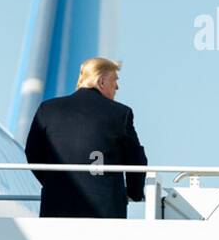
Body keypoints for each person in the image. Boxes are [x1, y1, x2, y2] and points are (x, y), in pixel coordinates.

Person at [24, 57, 147, 218]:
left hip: (56, 207)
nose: (117, 86)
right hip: (105, 210)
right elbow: (136, 160)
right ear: (101, 81)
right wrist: (135, 193)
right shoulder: (120, 113)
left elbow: (32, 153)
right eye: (115, 80)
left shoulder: (47, 109)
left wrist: (54, 183)